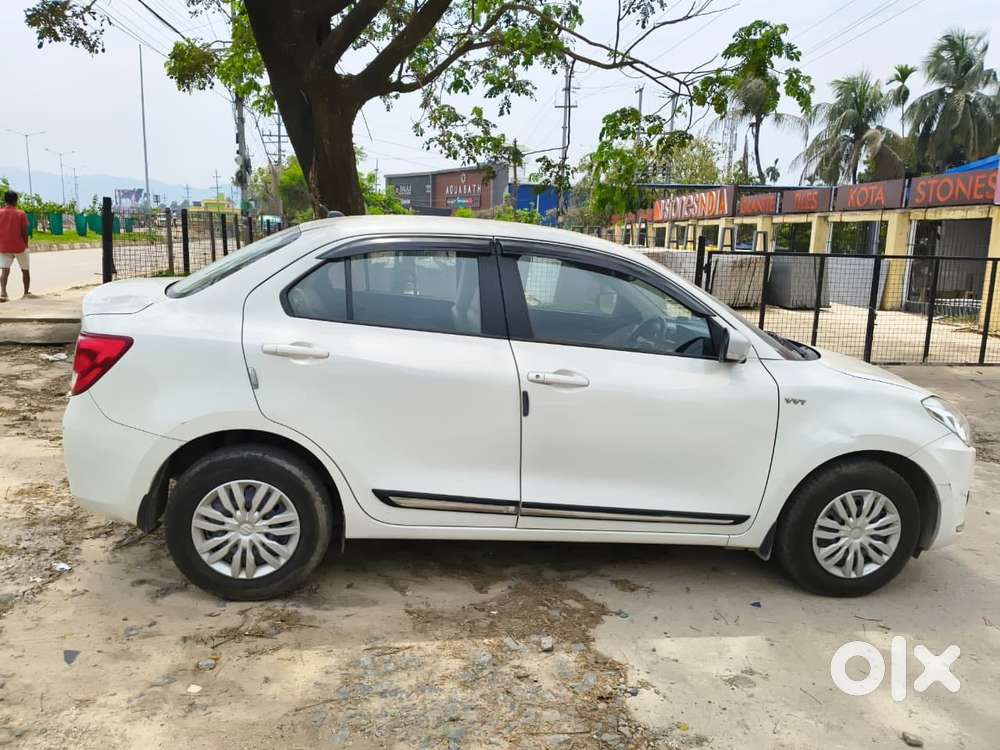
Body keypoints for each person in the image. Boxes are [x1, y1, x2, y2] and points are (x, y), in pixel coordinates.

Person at [0, 190, 32, 302]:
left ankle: (3, 292)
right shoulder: (21, 213)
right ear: (15, 200)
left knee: (5, 270)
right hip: (19, 246)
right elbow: (24, 231)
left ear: (5, 200)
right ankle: (26, 292)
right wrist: (26, 245)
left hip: (4, 247)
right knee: (25, 270)